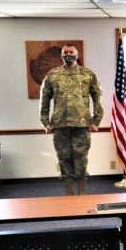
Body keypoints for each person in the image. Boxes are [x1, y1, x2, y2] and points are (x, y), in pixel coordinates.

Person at [39, 43, 103, 195]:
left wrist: (96, 121)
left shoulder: (88, 74)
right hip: (60, 125)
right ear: (61, 56)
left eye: (71, 52)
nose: (68, 55)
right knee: (64, 158)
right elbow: (44, 99)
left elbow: (97, 98)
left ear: (77, 55)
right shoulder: (52, 75)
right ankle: (69, 192)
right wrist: (45, 122)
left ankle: (81, 192)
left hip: (82, 125)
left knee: (81, 159)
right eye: (65, 53)